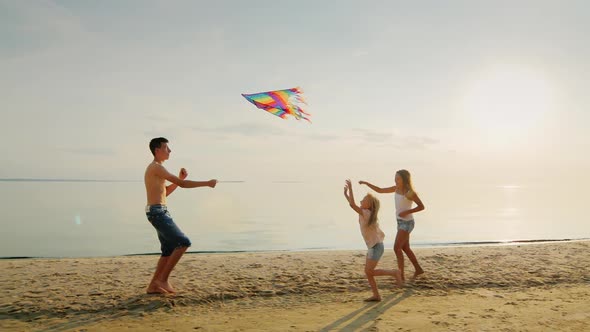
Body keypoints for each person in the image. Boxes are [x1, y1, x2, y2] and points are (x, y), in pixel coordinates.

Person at [144, 137, 217, 294]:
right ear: (157, 150)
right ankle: (162, 280)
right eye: (166, 148)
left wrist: (179, 179)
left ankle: (153, 286)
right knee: (183, 242)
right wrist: (207, 183)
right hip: (158, 212)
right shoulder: (156, 167)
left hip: (157, 211)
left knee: (168, 250)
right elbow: (184, 185)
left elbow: (166, 193)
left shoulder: (157, 169)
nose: (169, 151)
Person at [359, 170, 425, 282]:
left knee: (397, 247)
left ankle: (401, 276)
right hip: (400, 222)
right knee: (405, 248)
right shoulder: (396, 189)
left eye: (398, 178)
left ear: (404, 179)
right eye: (395, 178)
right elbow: (380, 190)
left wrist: (407, 212)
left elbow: (421, 206)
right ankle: (418, 269)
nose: (395, 180)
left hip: (407, 223)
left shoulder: (409, 192)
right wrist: (367, 183)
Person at [344, 179, 402, 301]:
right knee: (368, 272)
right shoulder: (365, 212)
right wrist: (346, 195)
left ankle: (394, 273)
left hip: (376, 247)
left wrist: (350, 189)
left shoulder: (367, 213)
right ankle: (376, 295)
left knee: (369, 271)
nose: (361, 201)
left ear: (369, 205)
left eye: (363, 200)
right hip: (373, 246)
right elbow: (352, 204)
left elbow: (352, 204)